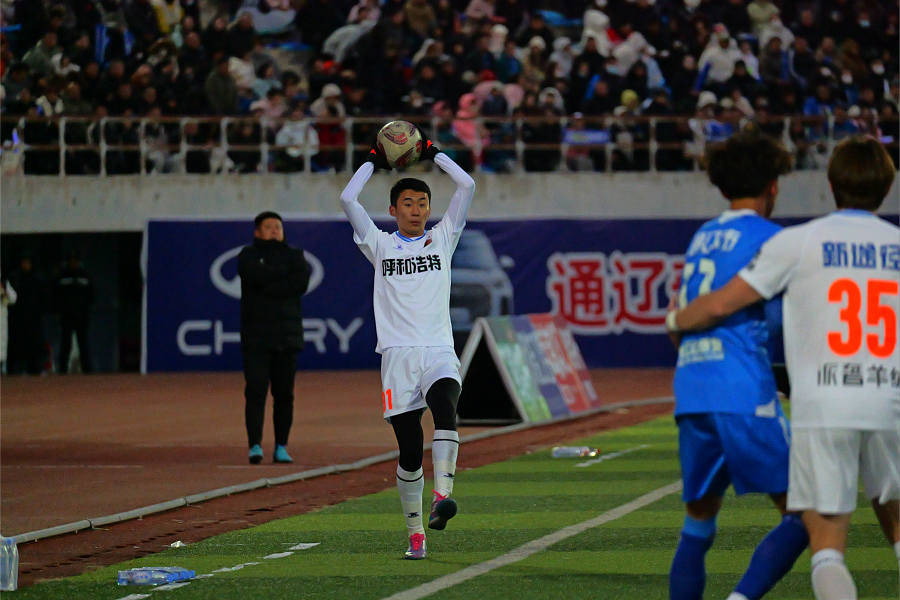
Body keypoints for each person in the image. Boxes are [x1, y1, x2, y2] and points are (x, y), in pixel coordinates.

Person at [667, 136, 900, 600]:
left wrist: (674, 323)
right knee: (839, 521)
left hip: (713, 388)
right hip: (857, 394)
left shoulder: (731, 237)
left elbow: (711, 303)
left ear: (831, 184)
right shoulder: (780, 238)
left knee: (709, 527)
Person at [668, 129, 809, 600]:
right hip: (742, 388)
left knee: (698, 524)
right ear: (772, 185)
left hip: (693, 387)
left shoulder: (703, 235)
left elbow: (680, 319)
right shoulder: (773, 238)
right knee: (806, 511)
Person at [339, 136, 475, 560]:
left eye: (423, 203)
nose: (417, 210)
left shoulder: (444, 237)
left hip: (438, 349)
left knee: (446, 408)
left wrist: (434, 153)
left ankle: (443, 495)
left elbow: (467, 185)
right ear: (394, 210)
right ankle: (416, 534)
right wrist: (373, 161)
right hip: (397, 357)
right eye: (408, 204)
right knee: (410, 451)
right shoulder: (380, 244)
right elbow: (347, 199)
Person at [237, 212, 311, 465]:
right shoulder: (247, 255)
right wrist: (282, 274)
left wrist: (266, 285)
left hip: (287, 337)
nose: (274, 230)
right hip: (255, 338)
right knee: (255, 391)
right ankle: (255, 446)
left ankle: (281, 447)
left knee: (284, 395)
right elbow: (253, 275)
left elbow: (299, 283)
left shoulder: (296, 256)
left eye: (277, 226)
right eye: (268, 226)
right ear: (257, 232)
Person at [54, 252, 95, 374]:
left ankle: (87, 370)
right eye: (71, 260)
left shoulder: (85, 276)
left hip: (81, 316)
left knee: (83, 344)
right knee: (65, 343)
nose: (73, 263)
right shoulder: (62, 277)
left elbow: (92, 295)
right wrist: (58, 311)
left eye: (75, 260)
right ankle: (62, 370)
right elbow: (55, 295)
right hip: (66, 316)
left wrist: (86, 309)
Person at [6, 255, 47, 376]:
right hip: (18, 319)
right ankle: (18, 370)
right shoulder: (14, 277)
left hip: (34, 319)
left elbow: (44, 297)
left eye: (27, 262)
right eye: (23, 262)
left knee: (35, 344)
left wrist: (40, 312)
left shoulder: (38, 278)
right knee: (18, 345)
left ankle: (36, 369)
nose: (25, 265)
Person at [0, 267, 16, 374]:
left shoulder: (4, 282)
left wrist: (6, 293)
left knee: (2, 345)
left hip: (2, 321)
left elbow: (13, 298)